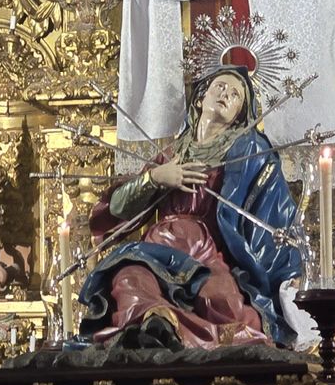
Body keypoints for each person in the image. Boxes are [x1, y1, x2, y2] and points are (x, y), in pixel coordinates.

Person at [78, 66, 302, 349]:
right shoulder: (172, 154)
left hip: (207, 253)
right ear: (200, 98)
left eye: (235, 96)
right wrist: (157, 178)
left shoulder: (250, 153)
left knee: (223, 303)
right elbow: (120, 207)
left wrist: (285, 274)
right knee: (129, 278)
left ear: (239, 116)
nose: (226, 95)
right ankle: (156, 320)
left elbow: (273, 212)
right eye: (220, 87)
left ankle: (173, 329)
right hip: (158, 248)